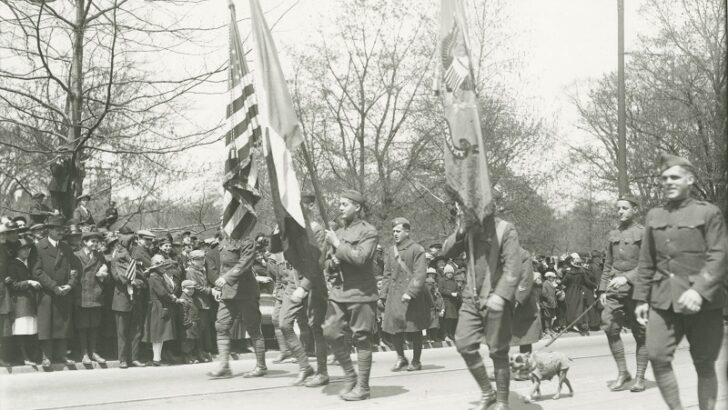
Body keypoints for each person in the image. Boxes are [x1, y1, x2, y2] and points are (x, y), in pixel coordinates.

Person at [634, 153, 727, 410]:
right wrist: (641, 297)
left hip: (704, 303)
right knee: (657, 355)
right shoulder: (654, 215)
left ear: (690, 179)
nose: (668, 182)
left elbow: (719, 256)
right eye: (664, 178)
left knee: (705, 364)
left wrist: (699, 290)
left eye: (675, 177)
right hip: (663, 300)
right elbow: (646, 260)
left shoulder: (708, 213)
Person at [441, 207, 522, 410]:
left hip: (496, 297)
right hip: (472, 298)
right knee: (464, 343)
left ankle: (502, 402)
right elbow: (446, 251)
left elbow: (514, 266)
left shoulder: (505, 229)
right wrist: (460, 229)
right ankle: (488, 392)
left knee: (498, 351)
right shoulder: (468, 230)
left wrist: (502, 295)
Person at [322, 190, 379, 401]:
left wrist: (338, 245)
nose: (340, 207)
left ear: (357, 207)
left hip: (361, 293)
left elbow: (361, 258)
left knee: (362, 338)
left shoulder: (369, 231)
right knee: (330, 331)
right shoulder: (337, 231)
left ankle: (363, 387)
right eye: (339, 204)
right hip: (339, 293)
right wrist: (332, 262)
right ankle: (349, 374)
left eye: (345, 204)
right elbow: (326, 264)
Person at [598, 194, 648, 392]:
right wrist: (602, 289)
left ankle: (640, 377)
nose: (620, 212)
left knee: (641, 333)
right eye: (618, 208)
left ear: (634, 209)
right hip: (615, 290)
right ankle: (622, 372)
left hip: (638, 290)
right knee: (609, 326)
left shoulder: (644, 233)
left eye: (625, 208)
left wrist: (627, 277)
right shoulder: (613, 234)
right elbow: (608, 263)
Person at [207, 235, 268, 378]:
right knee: (221, 326)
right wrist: (218, 287)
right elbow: (222, 266)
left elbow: (244, 263)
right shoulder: (223, 241)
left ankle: (261, 366)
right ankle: (224, 366)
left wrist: (226, 278)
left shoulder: (247, 240)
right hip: (228, 292)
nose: (223, 222)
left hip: (245, 291)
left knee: (253, 328)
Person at [380, 217, 430, 372]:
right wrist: (382, 295)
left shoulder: (417, 249)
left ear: (407, 232)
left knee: (414, 329)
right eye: (393, 231)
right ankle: (401, 358)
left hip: (411, 297)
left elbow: (420, 274)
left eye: (398, 231)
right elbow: (387, 274)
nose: (395, 234)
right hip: (394, 296)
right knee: (394, 328)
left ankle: (416, 361)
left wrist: (410, 292)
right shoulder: (390, 250)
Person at [33, 215, 78, 368]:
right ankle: (46, 357)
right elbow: (37, 272)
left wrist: (70, 285)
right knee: (47, 325)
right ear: (50, 230)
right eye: (58, 229)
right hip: (47, 294)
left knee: (63, 325)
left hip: (64, 292)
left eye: (62, 230)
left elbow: (75, 269)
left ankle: (62, 355)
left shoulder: (65, 247)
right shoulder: (39, 247)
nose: (61, 232)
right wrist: (54, 286)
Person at [72, 230, 110, 365]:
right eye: (92, 241)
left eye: (97, 241)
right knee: (82, 326)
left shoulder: (100, 256)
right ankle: (84, 353)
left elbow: (107, 277)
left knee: (94, 325)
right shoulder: (75, 255)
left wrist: (103, 276)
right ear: (84, 242)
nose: (95, 244)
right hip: (81, 296)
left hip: (95, 295)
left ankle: (93, 352)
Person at [110, 229, 146, 368]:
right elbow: (118, 276)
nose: (134, 244)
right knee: (122, 331)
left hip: (136, 297)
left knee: (136, 329)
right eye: (132, 242)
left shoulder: (133, 256)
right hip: (122, 297)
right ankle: (123, 359)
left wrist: (140, 280)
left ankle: (134, 357)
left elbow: (139, 272)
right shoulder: (117, 256)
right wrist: (134, 281)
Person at [7, 237, 42, 365]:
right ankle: (24, 357)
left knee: (30, 329)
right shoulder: (13, 264)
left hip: (30, 301)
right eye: (23, 249)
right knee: (21, 330)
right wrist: (28, 282)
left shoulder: (28, 263)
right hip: (20, 302)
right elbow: (13, 285)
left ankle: (31, 356)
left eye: (28, 248)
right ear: (17, 251)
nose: (26, 251)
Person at [143, 255, 182, 366]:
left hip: (159, 305)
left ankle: (157, 359)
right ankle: (156, 359)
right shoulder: (154, 277)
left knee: (159, 334)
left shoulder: (158, 276)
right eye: (160, 265)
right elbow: (162, 292)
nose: (163, 267)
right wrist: (174, 298)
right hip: (157, 306)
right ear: (155, 267)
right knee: (158, 334)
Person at [510, 248, 543, 380]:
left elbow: (526, 278)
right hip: (505, 298)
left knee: (525, 337)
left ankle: (525, 370)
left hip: (522, 302)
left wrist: (518, 298)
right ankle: (500, 369)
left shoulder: (523, 254)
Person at [185, 249, 213, 360]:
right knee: (198, 329)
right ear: (192, 261)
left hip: (204, 302)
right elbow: (195, 286)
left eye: (203, 259)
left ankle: (203, 351)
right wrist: (210, 291)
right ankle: (198, 352)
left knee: (203, 328)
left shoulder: (202, 270)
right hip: (197, 303)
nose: (202, 261)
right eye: (198, 259)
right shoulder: (191, 271)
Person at [562, 254, 595, 335]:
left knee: (571, 307)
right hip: (579, 291)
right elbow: (587, 282)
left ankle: (571, 324)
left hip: (570, 292)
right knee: (579, 308)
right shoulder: (581, 272)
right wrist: (595, 285)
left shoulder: (569, 273)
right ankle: (580, 325)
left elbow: (564, 282)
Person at [180, 279, 202, 363]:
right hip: (188, 325)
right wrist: (188, 323)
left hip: (193, 323)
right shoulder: (183, 299)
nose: (191, 291)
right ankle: (187, 357)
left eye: (192, 289)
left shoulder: (190, 298)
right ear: (182, 288)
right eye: (188, 289)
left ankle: (191, 356)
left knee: (192, 341)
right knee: (187, 341)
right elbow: (183, 313)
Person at [438, 263, 459, 341]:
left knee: (452, 320)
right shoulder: (442, 280)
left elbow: (458, 290)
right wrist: (450, 293)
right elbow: (441, 290)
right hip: (445, 302)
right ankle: (445, 335)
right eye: (448, 273)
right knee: (446, 320)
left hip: (453, 303)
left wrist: (457, 294)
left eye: (451, 273)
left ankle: (451, 334)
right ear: (445, 273)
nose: (450, 274)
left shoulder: (454, 281)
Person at [540, 271, 558, 336]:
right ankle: (547, 329)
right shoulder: (545, 284)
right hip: (547, 303)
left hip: (552, 303)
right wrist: (549, 298)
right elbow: (544, 293)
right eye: (552, 277)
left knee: (551, 316)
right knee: (547, 316)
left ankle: (550, 328)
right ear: (548, 277)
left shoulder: (551, 283)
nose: (553, 279)